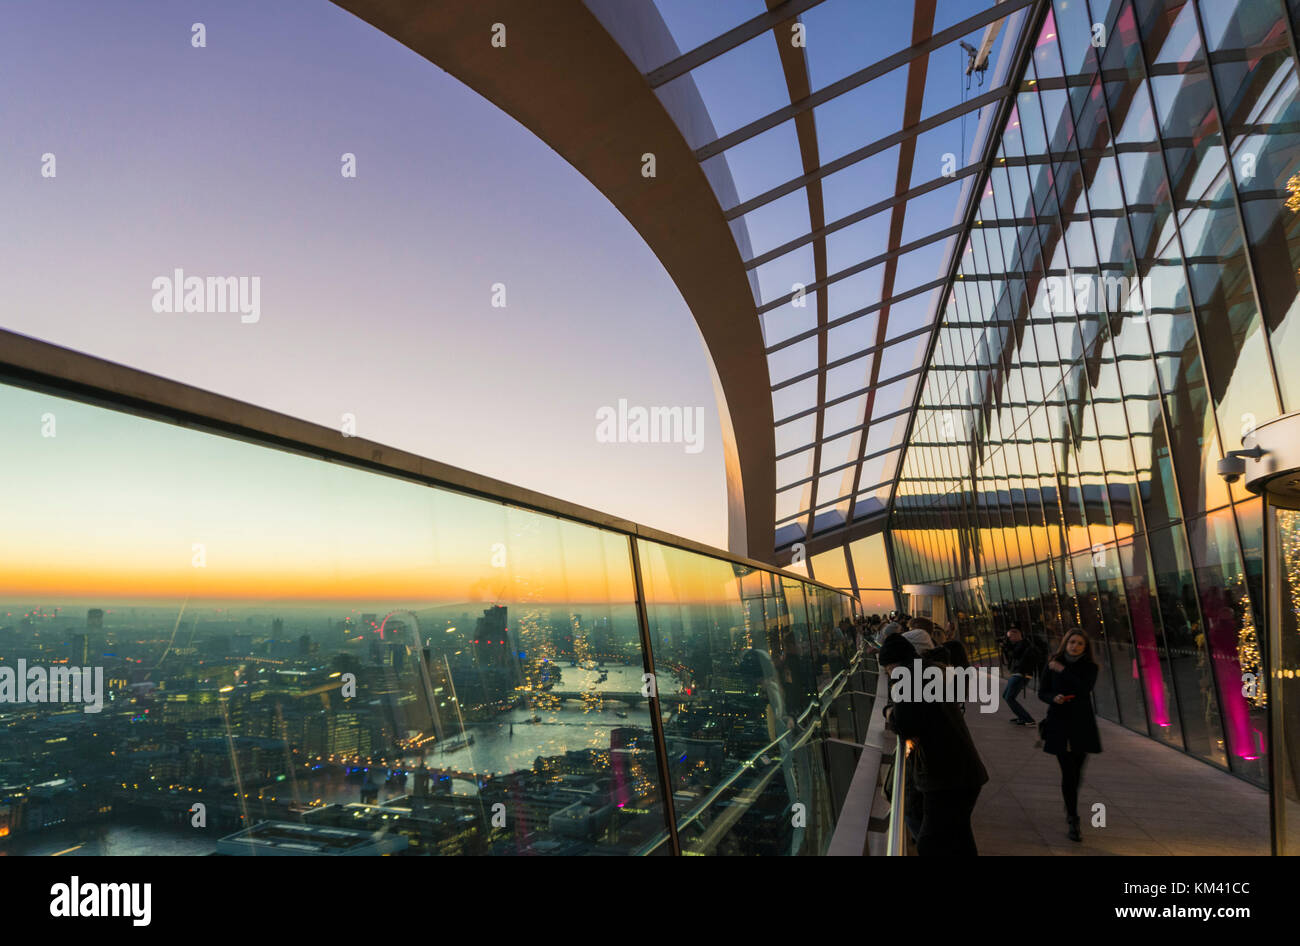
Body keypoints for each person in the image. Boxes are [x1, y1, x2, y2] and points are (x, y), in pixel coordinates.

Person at [879, 634, 988, 856]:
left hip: (946, 778)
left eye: (887, 668)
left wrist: (889, 712)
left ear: (893, 663)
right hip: (962, 773)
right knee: (959, 837)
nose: (888, 674)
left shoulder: (910, 676)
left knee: (930, 843)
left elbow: (905, 723)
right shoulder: (925, 670)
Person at [1038, 627, 1102, 842]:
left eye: (1079, 644)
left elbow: (1084, 689)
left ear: (1085, 648)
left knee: (1077, 771)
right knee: (1068, 772)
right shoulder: (1052, 663)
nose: (1074, 646)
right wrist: (1053, 698)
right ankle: (1073, 818)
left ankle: (1070, 804)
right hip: (1059, 722)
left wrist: (1063, 670)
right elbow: (1042, 691)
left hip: (1081, 724)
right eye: (1072, 642)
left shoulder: (1090, 667)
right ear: (1065, 643)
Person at [999, 625, 1037, 726]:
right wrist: (1005, 647)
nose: (1009, 639)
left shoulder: (1023, 644)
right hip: (1017, 674)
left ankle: (1028, 719)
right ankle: (1022, 717)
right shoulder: (1017, 644)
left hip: (1021, 674)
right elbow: (1010, 658)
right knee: (1006, 696)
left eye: (1010, 637)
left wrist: (1006, 646)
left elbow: (1015, 654)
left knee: (1009, 697)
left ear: (1016, 635)